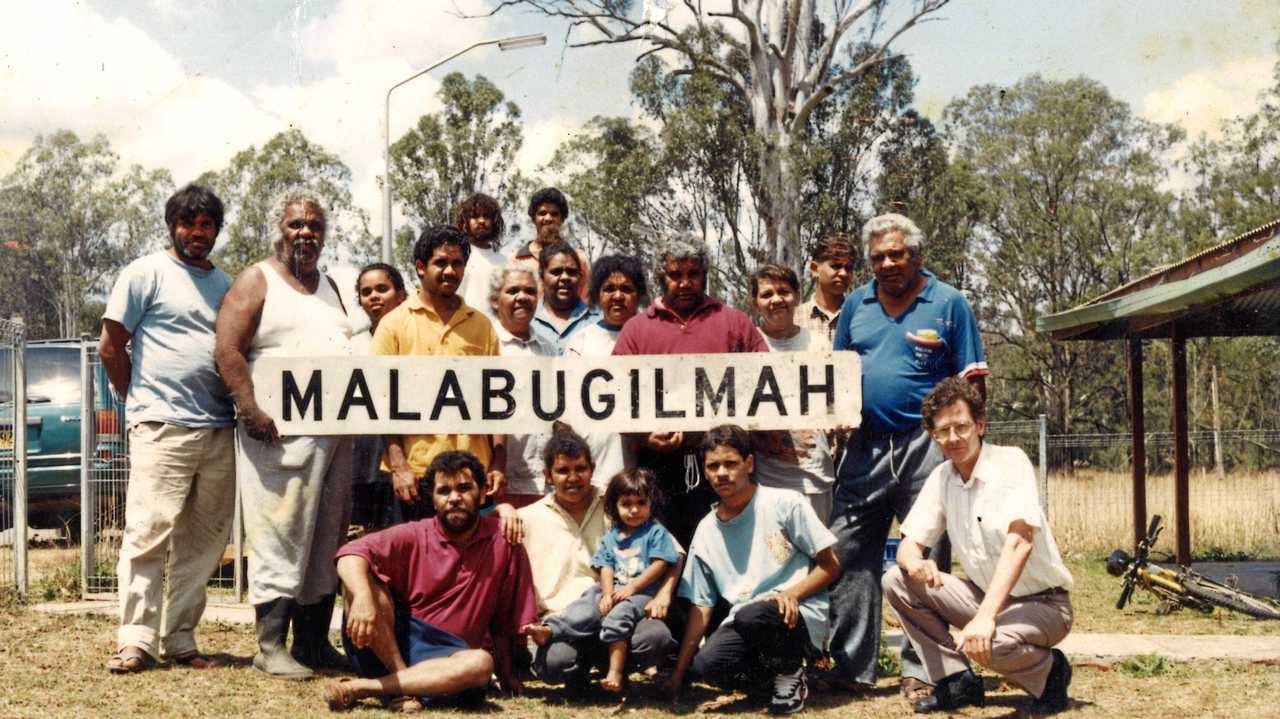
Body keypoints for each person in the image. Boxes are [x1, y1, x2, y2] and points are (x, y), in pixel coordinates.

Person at [826, 212, 989, 698]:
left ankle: (924, 667)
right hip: (864, 446)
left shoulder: (949, 302)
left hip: (927, 448)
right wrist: (838, 415)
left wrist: (966, 448)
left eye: (897, 254)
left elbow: (973, 382)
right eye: (878, 257)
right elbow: (836, 376)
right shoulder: (856, 305)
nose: (888, 263)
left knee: (926, 561)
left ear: (917, 255)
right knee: (847, 550)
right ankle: (851, 667)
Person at [214, 190, 355, 679]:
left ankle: (313, 642)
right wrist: (249, 408)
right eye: (296, 225)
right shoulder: (258, 280)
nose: (306, 234)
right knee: (280, 531)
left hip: (333, 436)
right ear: (279, 228)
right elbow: (228, 349)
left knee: (324, 537)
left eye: (314, 226)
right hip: (277, 433)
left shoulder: (332, 286)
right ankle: (269, 645)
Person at [101, 184, 236, 673]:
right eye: (188, 224)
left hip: (220, 427)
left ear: (216, 231)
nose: (197, 233)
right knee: (148, 533)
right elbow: (111, 346)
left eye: (206, 226)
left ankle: (181, 639)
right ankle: (136, 641)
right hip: (161, 426)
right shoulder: (144, 273)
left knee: (203, 542)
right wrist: (136, 402)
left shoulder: (227, 284)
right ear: (172, 226)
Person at [884, 377, 1074, 714]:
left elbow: (1020, 543)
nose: (953, 438)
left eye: (962, 426)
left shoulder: (1010, 462)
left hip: (1044, 604)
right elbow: (906, 546)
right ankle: (958, 682)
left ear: (981, 425)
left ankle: (1051, 673)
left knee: (988, 641)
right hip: (987, 598)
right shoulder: (942, 477)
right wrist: (915, 562)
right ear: (934, 436)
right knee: (896, 580)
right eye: (943, 431)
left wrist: (985, 618)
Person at [325, 451, 539, 712]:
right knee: (364, 578)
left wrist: (506, 673)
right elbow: (350, 553)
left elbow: (503, 618)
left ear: (483, 494)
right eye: (444, 491)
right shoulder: (415, 533)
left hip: (450, 658)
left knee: (482, 663)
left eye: (464, 488)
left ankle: (362, 688)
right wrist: (362, 597)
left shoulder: (504, 542)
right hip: (389, 646)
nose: (454, 498)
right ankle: (403, 686)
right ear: (433, 500)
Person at [665, 425, 841, 715]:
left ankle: (791, 675)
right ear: (705, 471)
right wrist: (678, 675)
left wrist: (792, 593)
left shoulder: (785, 503)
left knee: (755, 613)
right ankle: (768, 683)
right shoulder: (707, 529)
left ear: (749, 463)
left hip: (797, 618)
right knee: (708, 666)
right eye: (713, 466)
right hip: (747, 621)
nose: (722, 472)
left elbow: (831, 566)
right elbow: (701, 606)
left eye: (730, 463)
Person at [613, 235, 769, 548]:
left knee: (727, 546)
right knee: (664, 550)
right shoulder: (637, 329)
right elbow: (617, 397)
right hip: (657, 466)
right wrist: (644, 435)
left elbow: (767, 386)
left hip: (722, 463)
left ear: (705, 275)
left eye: (693, 274)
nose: (685, 283)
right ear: (661, 277)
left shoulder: (733, 322)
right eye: (675, 275)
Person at [517, 425, 678, 689]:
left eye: (580, 468)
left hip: (619, 610)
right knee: (557, 663)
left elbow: (674, 552)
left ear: (592, 468)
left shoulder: (619, 504)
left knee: (655, 637)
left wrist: (663, 594)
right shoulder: (527, 517)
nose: (573, 478)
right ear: (547, 475)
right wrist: (502, 508)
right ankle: (578, 673)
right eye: (562, 471)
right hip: (567, 621)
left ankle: (613, 668)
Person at [372, 225, 504, 517]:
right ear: (421, 267)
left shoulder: (482, 326)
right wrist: (399, 465)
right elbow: (379, 401)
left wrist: (498, 463)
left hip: (473, 472)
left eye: (457, 263)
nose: (449, 271)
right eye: (440, 262)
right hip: (418, 475)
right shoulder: (394, 324)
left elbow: (498, 402)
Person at [748, 263, 837, 523]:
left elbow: (834, 405)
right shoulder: (747, 344)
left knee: (818, 558)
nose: (776, 299)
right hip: (766, 478)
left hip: (814, 475)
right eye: (766, 294)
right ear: (755, 302)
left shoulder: (819, 344)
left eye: (784, 291)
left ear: (797, 297)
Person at [564, 254, 648, 488]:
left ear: (639, 294)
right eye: (609, 288)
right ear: (597, 295)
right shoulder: (580, 342)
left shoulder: (652, 337)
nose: (618, 296)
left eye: (626, 289)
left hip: (639, 467)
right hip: (593, 467)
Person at [489, 265, 558, 506]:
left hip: (543, 481)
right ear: (495, 300)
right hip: (499, 481)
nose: (522, 297)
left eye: (529, 291)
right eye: (513, 290)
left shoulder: (548, 348)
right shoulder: (486, 345)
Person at [349, 263, 408, 533]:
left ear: (401, 294)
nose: (374, 296)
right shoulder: (351, 345)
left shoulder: (416, 338)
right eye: (366, 291)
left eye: (382, 289)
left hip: (407, 458)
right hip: (363, 460)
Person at [511, 186, 590, 301]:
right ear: (534, 219)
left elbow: (586, 302)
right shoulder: (517, 259)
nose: (548, 218)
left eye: (554, 214)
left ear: (562, 219)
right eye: (542, 213)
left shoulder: (579, 259)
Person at [531, 241, 602, 352]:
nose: (565, 277)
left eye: (571, 272)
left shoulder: (599, 320)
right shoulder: (526, 320)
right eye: (556, 272)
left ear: (581, 278)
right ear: (541, 277)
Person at [454, 192, 508, 315]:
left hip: (496, 331)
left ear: (495, 222)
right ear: (465, 221)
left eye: (486, 216)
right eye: (475, 216)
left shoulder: (504, 262)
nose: (482, 221)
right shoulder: (458, 257)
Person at [797, 234, 856, 344]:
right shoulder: (795, 319)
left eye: (849, 268)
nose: (844, 273)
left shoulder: (859, 316)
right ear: (815, 269)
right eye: (836, 266)